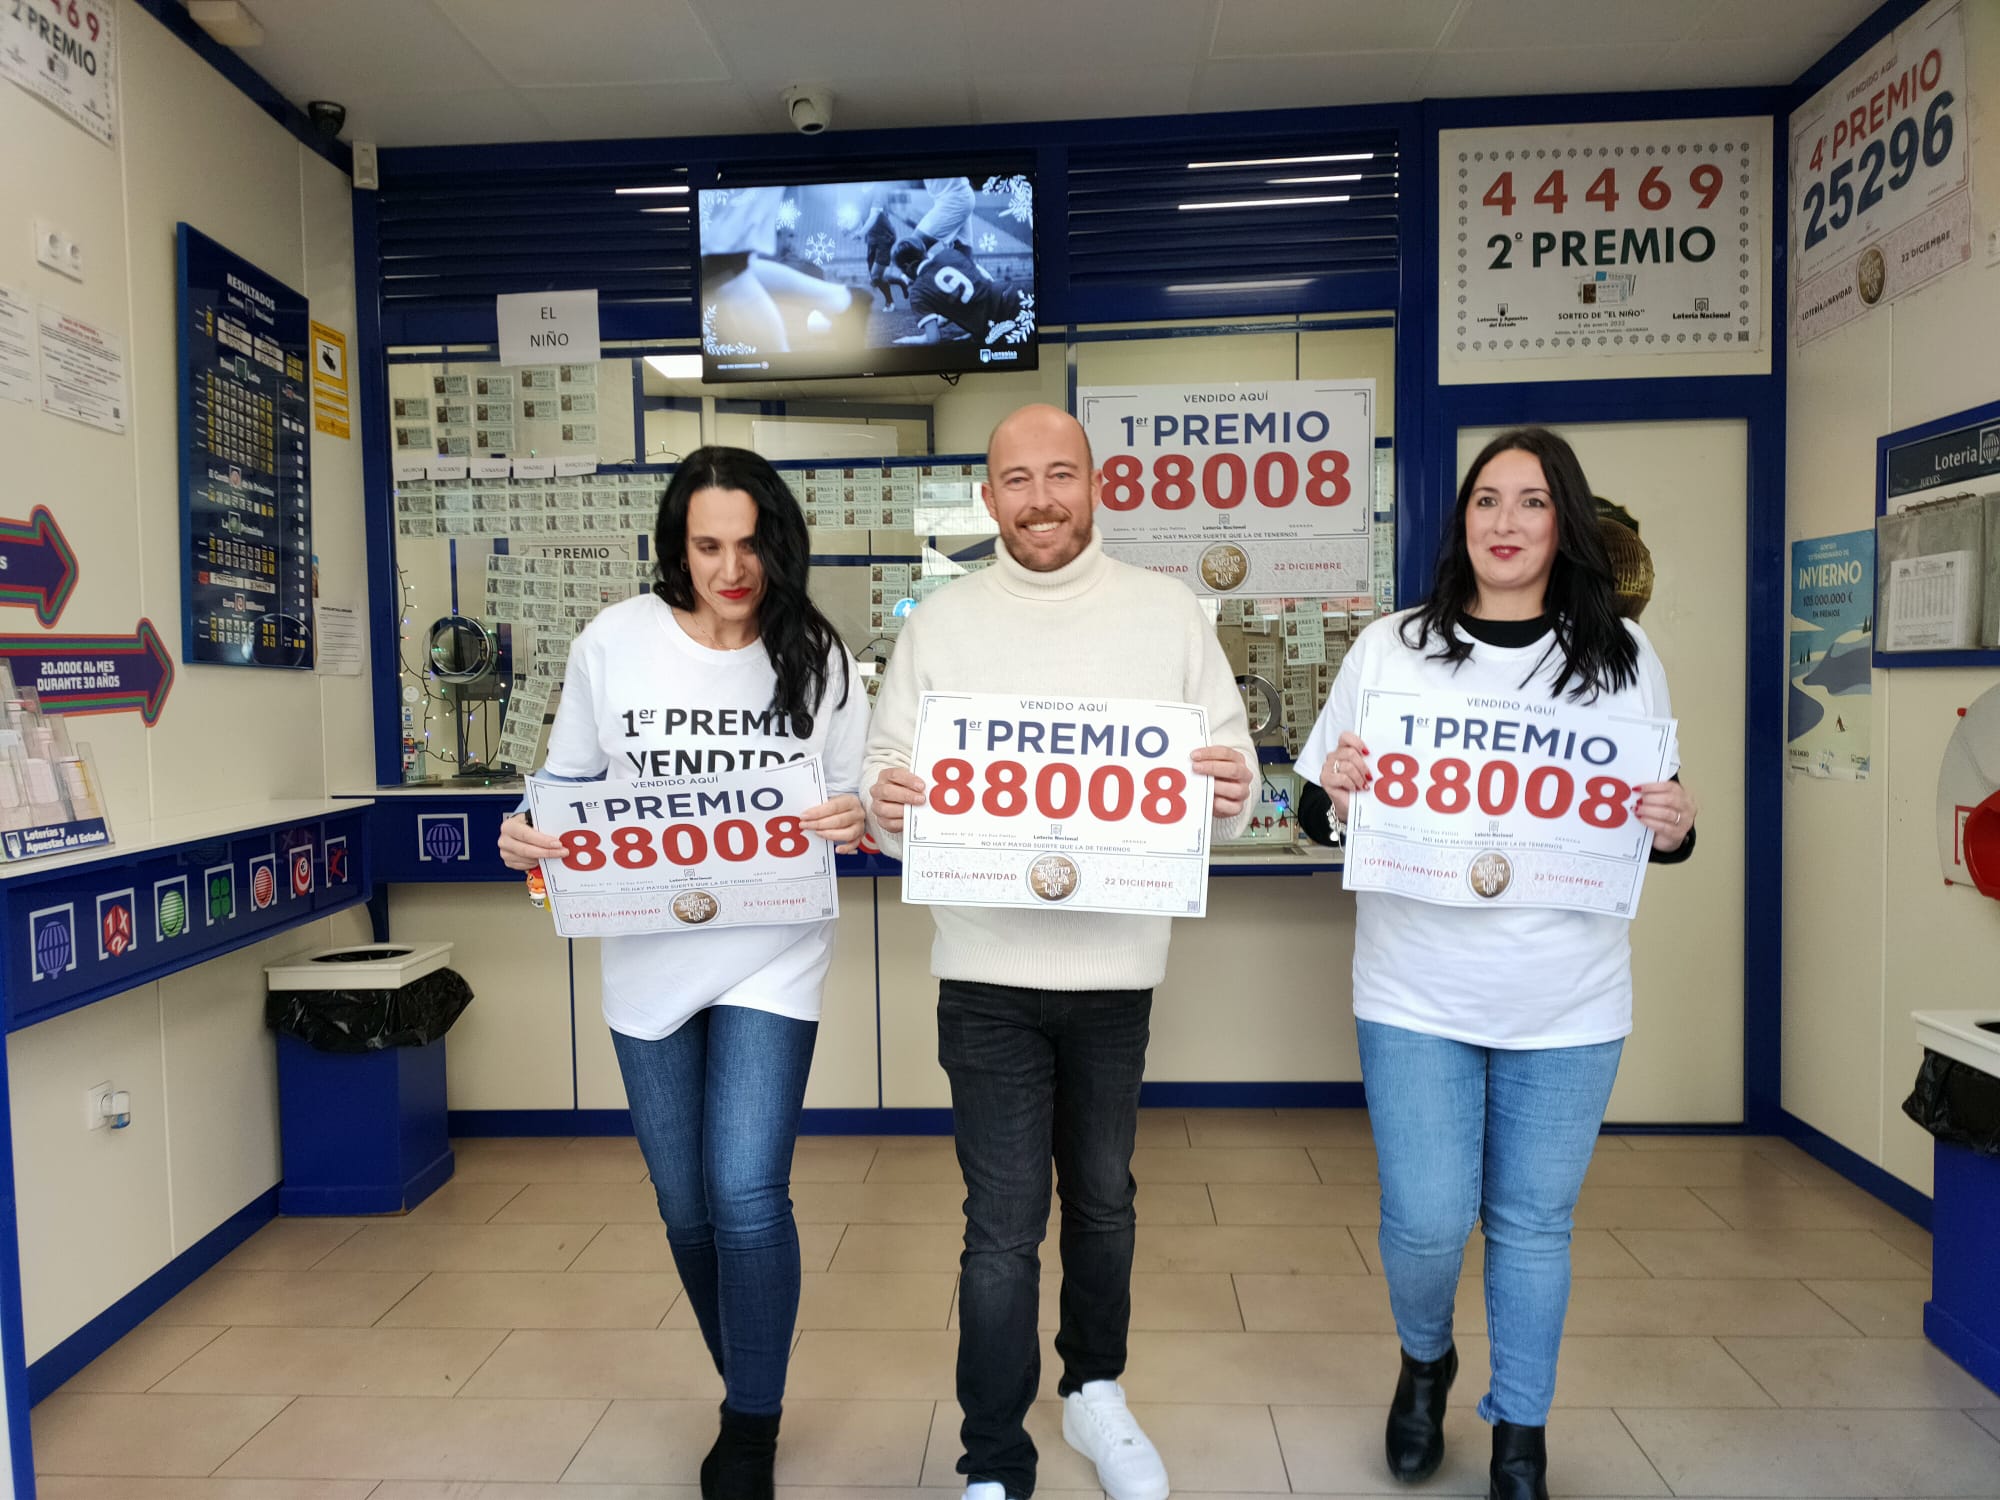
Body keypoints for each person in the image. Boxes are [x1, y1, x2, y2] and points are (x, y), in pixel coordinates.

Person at [862, 404, 1256, 1500]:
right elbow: (884, 774)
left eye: (1059, 475)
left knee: (1103, 1198)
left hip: (1114, 974)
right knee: (998, 1230)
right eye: (1015, 479)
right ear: (985, 498)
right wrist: (884, 795)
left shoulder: (1166, 612)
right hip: (984, 973)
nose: (1038, 498)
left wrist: (1232, 785)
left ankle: (1094, 1392)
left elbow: (1229, 773)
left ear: (1096, 485)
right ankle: (992, 1454)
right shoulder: (937, 623)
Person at [1300, 428, 1696, 1500]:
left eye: (1529, 503)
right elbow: (1309, 812)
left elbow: (1642, 828)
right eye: (1486, 501)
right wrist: (1335, 790)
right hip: (1412, 990)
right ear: (1459, 520)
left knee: (1530, 1225)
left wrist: (1672, 827)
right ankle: (1423, 1362)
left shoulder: (1619, 655)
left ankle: (1520, 1432)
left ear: (1561, 522)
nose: (1505, 524)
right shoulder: (1391, 647)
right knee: (1425, 1220)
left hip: (1565, 999)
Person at [497, 446, 870, 1500]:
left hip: (772, 951)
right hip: (646, 959)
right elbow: (564, 794)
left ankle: (750, 1421)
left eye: (750, 543)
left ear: (777, 543)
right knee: (684, 1206)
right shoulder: (614, 643)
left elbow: (852, 804)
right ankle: (745, 1368)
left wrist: (857, 817)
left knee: (747, 1194)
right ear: (677, 546)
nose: (731, 567)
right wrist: (524, 841)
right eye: (708, 545)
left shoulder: (813, 652)